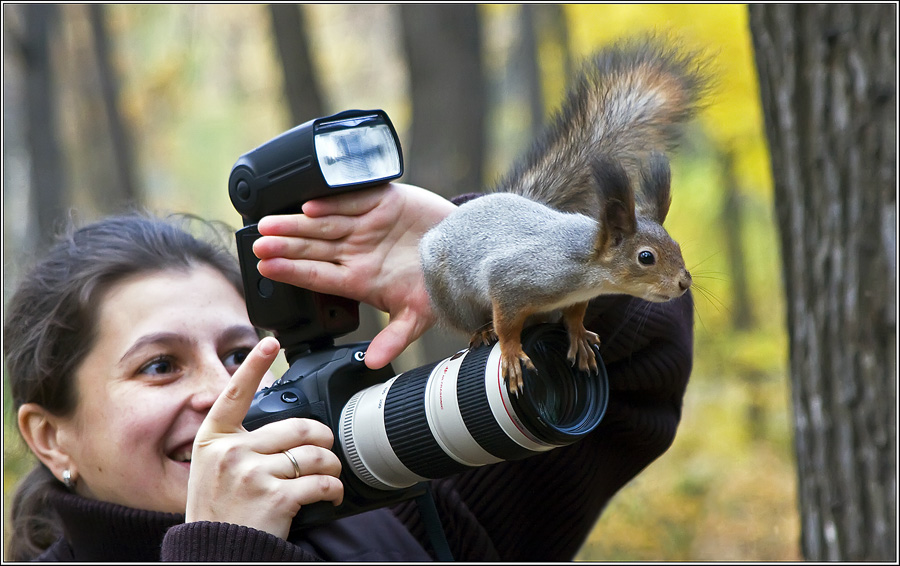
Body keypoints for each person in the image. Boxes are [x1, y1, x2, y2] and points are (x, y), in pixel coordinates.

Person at [3, 183, 693, 561]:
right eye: (160, 366)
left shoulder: (387, 518)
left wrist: (463, 253)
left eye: (242, 356)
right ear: (50, 437)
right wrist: (227, 551)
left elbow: (637, 365)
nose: (221, 392)